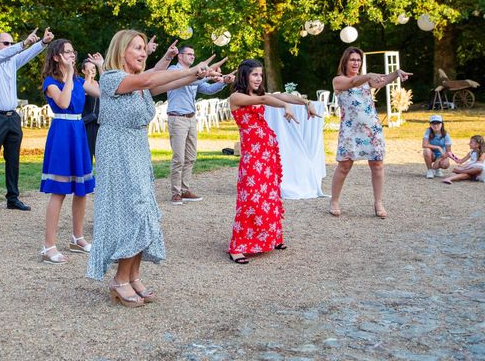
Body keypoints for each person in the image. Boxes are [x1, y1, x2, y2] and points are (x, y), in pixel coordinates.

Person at [86, 29, 224, 307]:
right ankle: (119, 279)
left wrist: (196, 74)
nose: (142, 53)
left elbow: (166, 84)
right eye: (136, 48)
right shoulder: (113, 78)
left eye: (142, 48)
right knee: (132, 212)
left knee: (144, 209)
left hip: (136, 147)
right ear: (120, 51)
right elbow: (150, 78)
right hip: (117, 150)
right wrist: (190, 67)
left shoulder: (138, 87)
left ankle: (134, 275)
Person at [227, 59, 319, 264]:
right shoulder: (236, 97)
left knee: (270, 196)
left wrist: (305, 103)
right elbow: (264, 101)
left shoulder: (258, 94)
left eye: (260, 75)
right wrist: (284, 105)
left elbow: (278, 96)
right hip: (253, 156)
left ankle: (272, 237)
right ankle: (237, 247)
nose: (259, 78)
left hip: (268, 153)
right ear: (245, 76)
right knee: (251, 199)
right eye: (254, 75)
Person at [329, 47, 412, 219]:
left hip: (371, 129)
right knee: (344, 166)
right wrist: (368, 75)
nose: (356, 63)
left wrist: (396, 72)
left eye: (358, 60)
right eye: (352, 59)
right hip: (350, 131)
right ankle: (334, 200)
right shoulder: (339, 80)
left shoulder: (368, 80)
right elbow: (352, 83)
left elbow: (383, 80)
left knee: (377, 165)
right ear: (345, 61)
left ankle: (378, 202)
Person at [39, 40, 102, 264]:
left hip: (78, 132)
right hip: (62, 134)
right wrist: (67, 76)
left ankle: (77, 238)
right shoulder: (51, 82)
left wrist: (99, 68)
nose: (72, 55)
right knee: (59, 191)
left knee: (82, 189)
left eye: (73, 51)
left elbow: (104, 93)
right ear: (56, 57)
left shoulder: (78, 81)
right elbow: (64, 103)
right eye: (66, 52)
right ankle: (49, 246)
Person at [0, 27, 54, 216]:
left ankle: (12, 198)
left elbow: (27, 54)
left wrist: (43, 43)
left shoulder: (12, 61)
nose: (10, 46)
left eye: (11, 43)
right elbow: (10, 53)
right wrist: (23, 43)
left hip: (12, 116)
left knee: (13, 159)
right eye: (6, 43)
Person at [166, 45, 235, 205]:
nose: (192, 56)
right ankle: (176, 193)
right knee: (178, 158)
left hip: (191, 118)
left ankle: (185, 190)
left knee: (190, 157)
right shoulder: (173, 71)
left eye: (193, 54)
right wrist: (208, 74)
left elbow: (208, 89)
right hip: (177, 118)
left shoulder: (196, 74)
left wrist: (223, 81)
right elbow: (186, 81)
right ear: (180, 56)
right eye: (189, 54)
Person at [81, 58, 102, 164]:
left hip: (99, 124)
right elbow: (83, 94)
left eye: (94, 68)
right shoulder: (80, 84)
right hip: (86, 124)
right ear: (83, 71)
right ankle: (86, 180)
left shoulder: (100, 84)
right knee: (87, 158)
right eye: (89, 69)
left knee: (101, 157)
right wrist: (88, 77)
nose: (92, 71)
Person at [422, 114, 453, 179]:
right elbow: (424, 145)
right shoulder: (428, 131)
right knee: (426, 150)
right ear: (430, 125)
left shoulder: (445, 134)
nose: (435, 125)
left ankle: (437, 169)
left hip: (442, 154)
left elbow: (449, 152)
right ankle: (430, 170)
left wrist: (439, 160)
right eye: (433, 123)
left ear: (442, 124)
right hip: (431, 153)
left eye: (438, 123)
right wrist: (438, 147)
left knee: (445, 165)